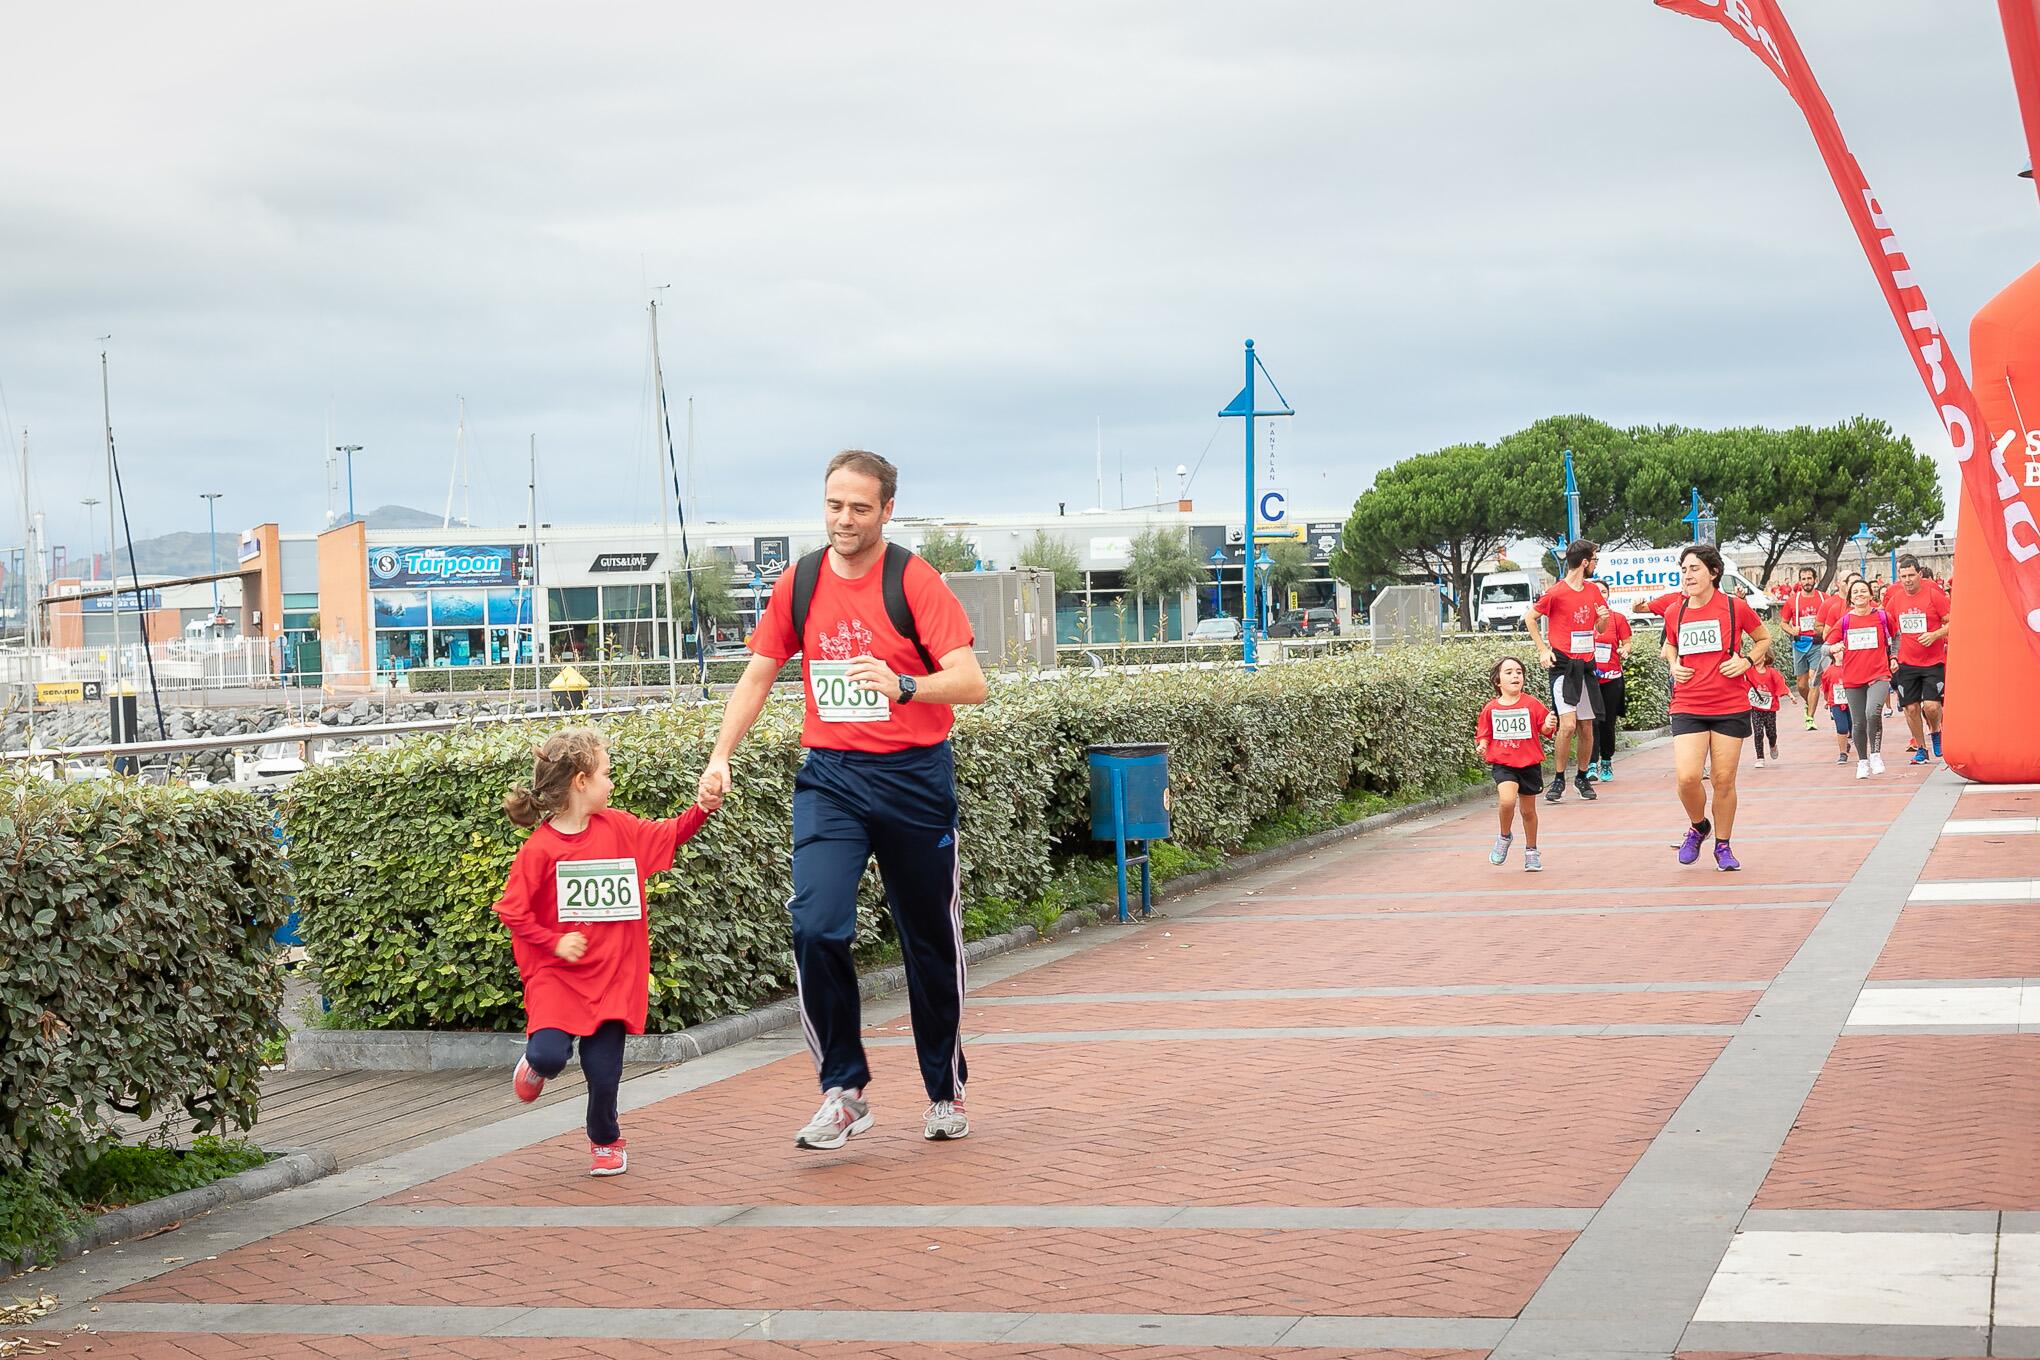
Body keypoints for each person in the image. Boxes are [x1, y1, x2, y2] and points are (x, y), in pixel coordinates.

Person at [699, 449, 989, 1150]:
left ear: (887, 509)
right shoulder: (799, 582)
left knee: (928, 943)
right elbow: (760, 674)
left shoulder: (913, 581)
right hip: (830, 777)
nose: (844, 519)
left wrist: (905, 686)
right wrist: (720, 756)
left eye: (860, 507)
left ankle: (943, 1090)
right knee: (815, 925)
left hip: (914, 778)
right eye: (834, 505)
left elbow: (971, 680)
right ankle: (843, 1089)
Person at [495, 728, 718, 1177]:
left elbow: (669, 834)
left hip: (613, 974)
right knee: (549, 1055)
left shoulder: (618, 827)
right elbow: (512, 912)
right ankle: (535, 1065)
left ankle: (605, 1139)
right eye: (606, 774)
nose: (612, 784)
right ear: (580, 782)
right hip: (558, 975)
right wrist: (554, 941)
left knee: (604, 1070)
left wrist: (703, 809)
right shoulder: (539, 850)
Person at [1646, 544, 1770, 870]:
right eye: (1684, 569)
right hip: (1688, 702)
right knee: (1687, 777)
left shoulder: (1735, 607)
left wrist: (1746, 662)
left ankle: (1724, 847)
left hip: (1729, 703)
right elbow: (1670, 645)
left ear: (1713, 572)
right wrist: (1673, 664)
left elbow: (1764, 640)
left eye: (1694, 568)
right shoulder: (1677, 611)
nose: (1687, 575)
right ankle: (1699, 826)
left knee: (1723, 779)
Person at [1530, 539, 1610, 803]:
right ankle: (1559, 778)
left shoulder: (1594, 592)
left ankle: (1582, 777)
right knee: (1567, 725)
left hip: (1587, 666)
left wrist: (1602, 621)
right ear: (1585, 561)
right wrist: (1543, 649)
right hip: (1564, 667)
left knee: (1586, 727)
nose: (1595, 565)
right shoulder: (1556, 592)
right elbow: (1530, 617)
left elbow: (1599, 629)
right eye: (1594, 560)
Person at [1476, 656, 1558, 872]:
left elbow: (1545, 729)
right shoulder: (1491, 708)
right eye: (1509, 672)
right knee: (1507, 801)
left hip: (1529, 764)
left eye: (1519, 672)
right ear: (1497, 681)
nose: (1515, 676)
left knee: (1528, 811)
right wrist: (1483, 745)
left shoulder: (1532, 703)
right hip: (1504, 764)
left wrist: (1549, 724)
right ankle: (1504, 836)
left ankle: (1531, 851)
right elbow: (1484, 733)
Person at [1883, 555, 1952, 764]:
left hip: (1933, 661)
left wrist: (1935, 635)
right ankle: (1921, 748)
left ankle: (1936, 732)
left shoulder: (1933, 594)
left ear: (1920, 574)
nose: (1907, 580)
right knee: (1911, 708)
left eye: (1911, 575)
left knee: (1931, 706)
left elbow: (1954, 620)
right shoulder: (1895, 600)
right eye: (1903, 576)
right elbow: (1887, 627)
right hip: (1907, 663)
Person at [1826, 578, 1896, 779]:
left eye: (1863, 591)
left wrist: (1894, 656)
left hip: (1879, 673)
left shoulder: (1883, 617)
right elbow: (1825, 646)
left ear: (1870, 595)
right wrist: (1833, 648)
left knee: (1872, 712)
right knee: (1858, 723)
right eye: (1855, 592)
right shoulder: (1845, 621)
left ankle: (1875, 755)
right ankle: (1863, 761)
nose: (1859, 595)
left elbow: (1896, 636)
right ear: (1850, 598)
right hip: (1853, 677)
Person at [1782, 566, 1832, 730]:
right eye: (1803, 579)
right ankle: (1808, 704)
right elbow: (1783, 623)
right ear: (1800, 581)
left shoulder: (1824, 598)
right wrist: (1792, 630)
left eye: (1809, 578)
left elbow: (1833, 619)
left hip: (1818, 644)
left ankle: (1810, 718)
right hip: (1800, 645)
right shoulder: (1792, 601)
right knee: (1802, 685)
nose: (1807, 582)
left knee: (1813, 681)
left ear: (1815, 580)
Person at [1588, 603, 1633, 781]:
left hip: (1611, 679)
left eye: (1604, 592)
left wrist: (1624, 650)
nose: (1600, 596)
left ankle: (1606, 761)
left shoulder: (1618, 618)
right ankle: (1591, 764)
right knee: (1591, 723)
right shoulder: (1583, 618)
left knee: (1607, 723)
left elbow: (1627, 643)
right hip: (1589, 678)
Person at [1745, 655, 1789, 767]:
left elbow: (1780, 683)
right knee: (1758, 733)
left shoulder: (1772, 672)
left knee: (1771, 733)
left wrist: (1789, 694)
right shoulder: (1749, 671)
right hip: (1756, 708)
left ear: (1765, 658)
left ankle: (1773, 745)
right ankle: (1760, 758)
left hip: (1770, 708)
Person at [1823, 664, 1852, 765]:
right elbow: (1825, 687)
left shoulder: (1852, 666)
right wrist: (1826, 700)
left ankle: (1862, 752)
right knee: (1841, 728)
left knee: (1854, 727)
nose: (1838, 654)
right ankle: (1843, 753)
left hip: (1852, 702)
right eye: (1836, 652)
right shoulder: (1829, 671)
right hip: (1835, 703)